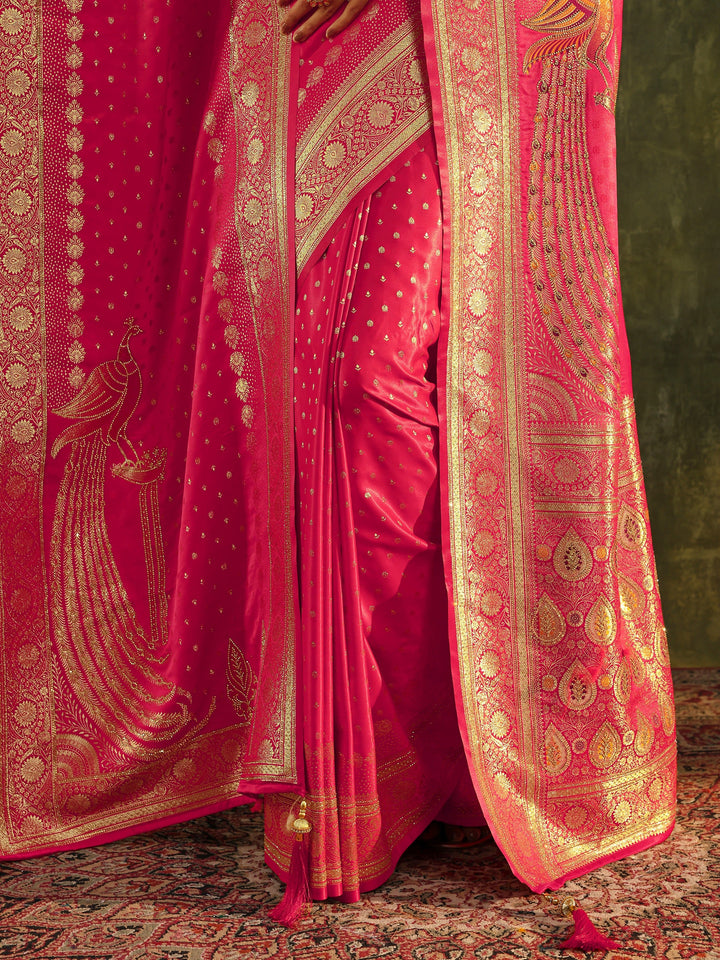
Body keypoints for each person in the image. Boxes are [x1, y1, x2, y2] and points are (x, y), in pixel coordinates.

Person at [1, 0, 674, 938]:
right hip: (291, 39)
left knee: (367, 378)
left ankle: (413, 745)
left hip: (455, 36)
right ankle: (360, 765)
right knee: (285, 380)